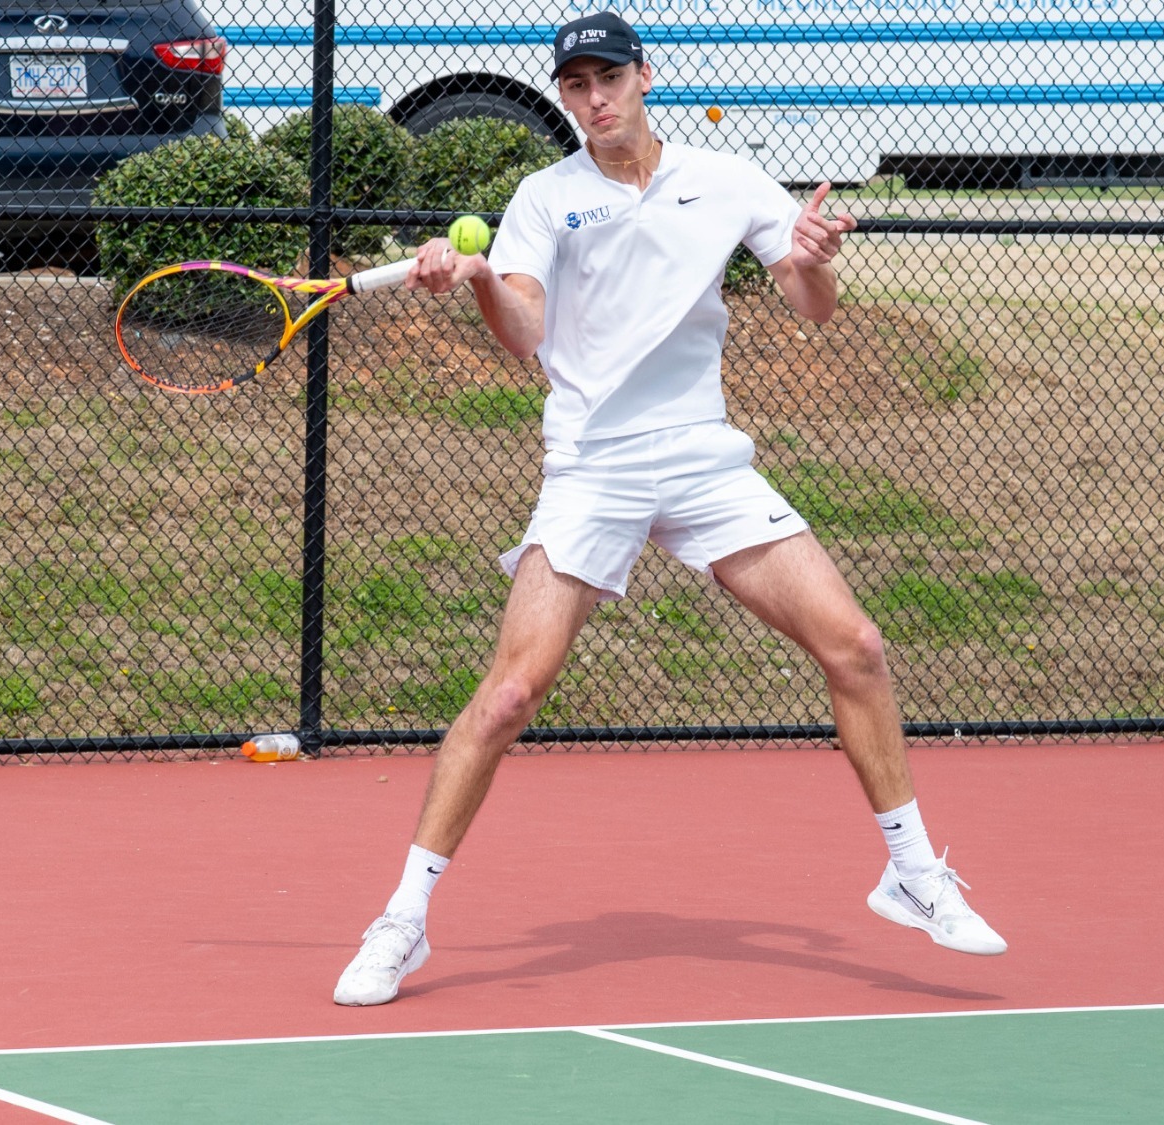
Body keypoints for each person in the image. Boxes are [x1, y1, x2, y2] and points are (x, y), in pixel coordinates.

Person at [332, 11, 1007, 1008]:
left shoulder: (725, 179)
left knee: (854, 646)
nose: (591, 98)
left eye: (607, 78)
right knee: (509, 697)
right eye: (573, 85)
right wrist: (474, 277)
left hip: (700, 457)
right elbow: (523, 333)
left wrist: (814, 253)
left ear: (646, 79)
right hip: (593, 467)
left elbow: (809, 305)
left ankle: (909, 874)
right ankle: (401, 921)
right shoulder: (542, 200)